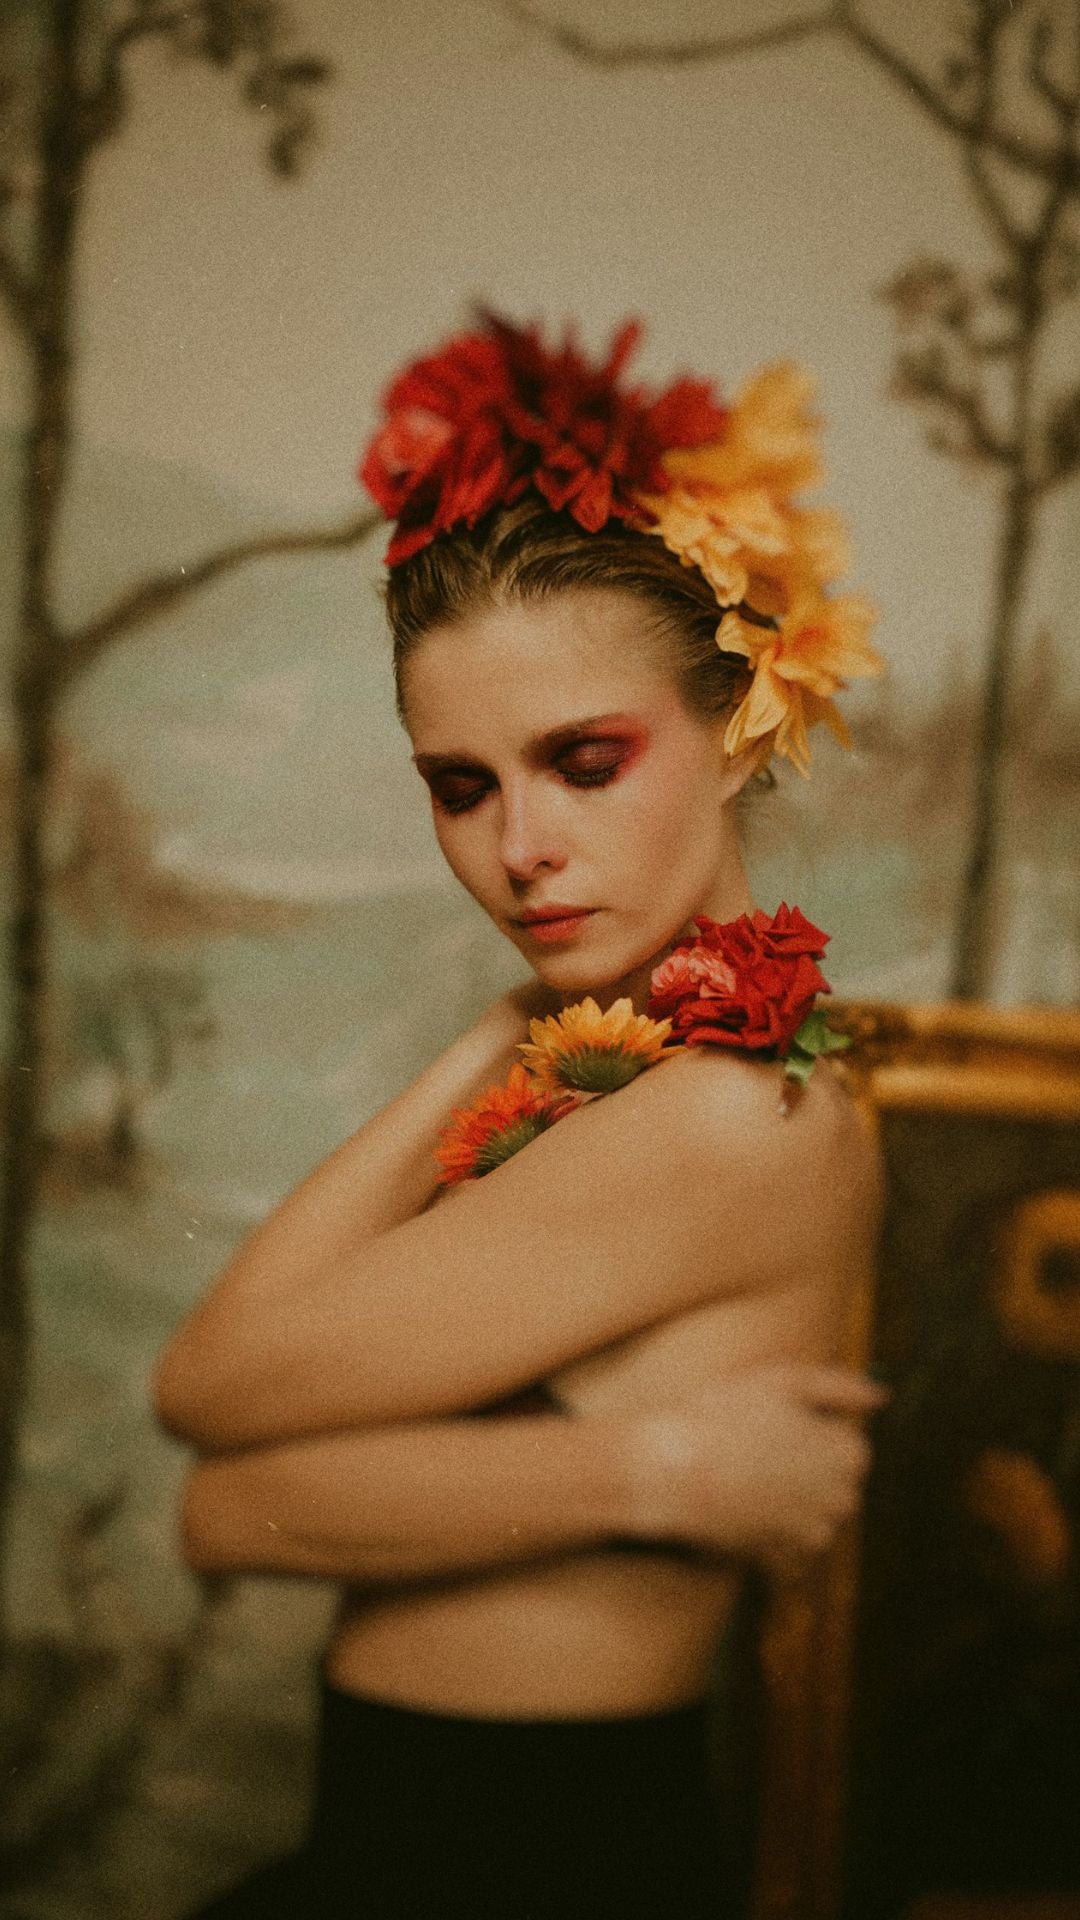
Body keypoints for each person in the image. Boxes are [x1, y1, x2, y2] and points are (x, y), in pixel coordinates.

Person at [154, 311, 887, 1919]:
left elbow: (214, 1415)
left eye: (585, 759)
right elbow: (225, 1467)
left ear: (742, 715)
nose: (521, 849)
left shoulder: (724, 1113)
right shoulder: (621, 1064)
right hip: (429, 1834)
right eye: (463, 785)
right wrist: (508, 1029)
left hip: (534, 1856)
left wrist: (646, 1481)